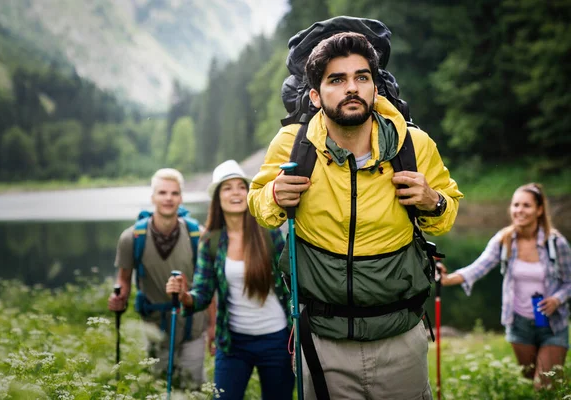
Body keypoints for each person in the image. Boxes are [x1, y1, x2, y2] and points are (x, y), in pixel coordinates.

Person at [247, 32, 462, 399]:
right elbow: (260, 206)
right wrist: (273, 195)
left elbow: (447, 210)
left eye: (362, 78)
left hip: (401, 340)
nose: (352, 88)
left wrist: (433, 201)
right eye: (337, 79)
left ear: (375, 88)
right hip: (322, 342)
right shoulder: (293, 144)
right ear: (315, 96)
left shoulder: (414, 145)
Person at [166, 159, 295, 400]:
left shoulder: (269, 233)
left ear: (249, 193)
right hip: (233, 344)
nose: (235, 193)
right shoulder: (210, 241)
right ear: (218, 198)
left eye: (241, 186)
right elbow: (202, 295)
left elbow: (292, 282)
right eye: (227, 187)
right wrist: (183, 295)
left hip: (277, 340)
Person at [438, 183, 571, 389]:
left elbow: (569, 281)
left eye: (526, 205)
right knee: (529, 380)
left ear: (539, 210)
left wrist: (557, 299)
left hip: (553, 325)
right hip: (518, 324)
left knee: (545, 386)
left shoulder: (555, 243)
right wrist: (447, 280)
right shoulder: (504, 240)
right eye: (515, 204)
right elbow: (478, 267)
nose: (519, 210)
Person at [107, 168, 213, 388]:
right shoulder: (132, 238)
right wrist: (119, 296)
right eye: (162, 193)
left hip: (193, 326)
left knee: (193, 388)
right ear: (153, 197)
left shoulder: (197, 235)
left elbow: (208, 286)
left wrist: (213, 326)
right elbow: (124, 279)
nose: (168, 198)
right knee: (159, 387)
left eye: (174, 193)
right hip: (156, 328)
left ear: (181, 198)